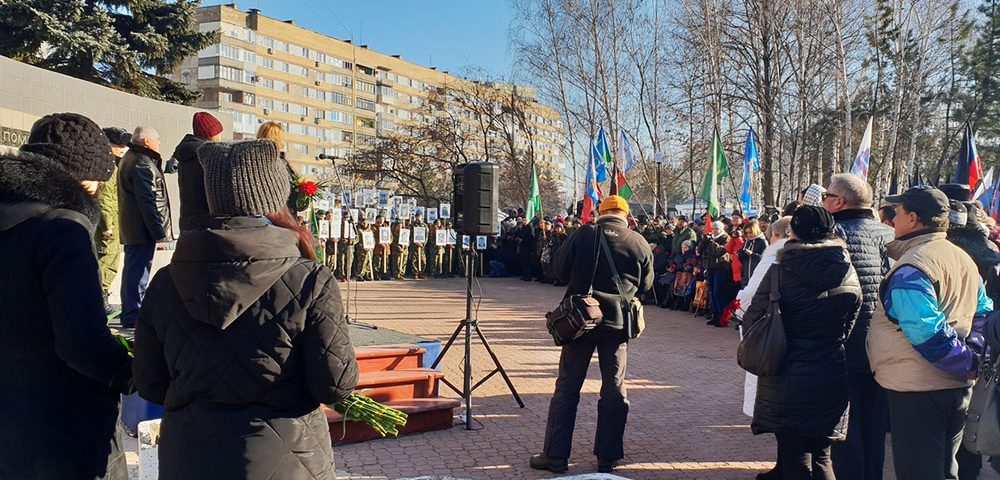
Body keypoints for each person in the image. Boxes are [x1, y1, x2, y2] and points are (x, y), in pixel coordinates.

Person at [133, 139, 359, 479]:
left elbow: (149, 383)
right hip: (287, 459)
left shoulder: (165, 281)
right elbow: (335, 383)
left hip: (189, 457)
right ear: (274, 197)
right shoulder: (310, 279)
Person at [1, 114, 132, 479]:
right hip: (63, 425)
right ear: (86, 181)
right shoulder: (63, 230)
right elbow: (81, 342)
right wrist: (129, 372)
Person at [867, 186, 993, 480]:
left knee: (920, 471)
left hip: (919, 389)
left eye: (896, 213)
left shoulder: (914, 266)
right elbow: (983, 315)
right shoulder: (962, 258)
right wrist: (971, 357)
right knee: (945, 469)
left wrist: (967, 362)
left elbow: (926, 330)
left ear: (912, 218)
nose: (891, 220)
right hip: (954, 386)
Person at [531, 195, 654, 475]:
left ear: (601, 213)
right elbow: (647, 284)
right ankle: (607, 458)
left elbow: (559, 271)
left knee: (567, 388)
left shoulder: (583, 234)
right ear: (625, 215)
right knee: (614, 389)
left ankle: (556, 455)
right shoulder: (638, 242)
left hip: (580, 320)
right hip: (618, 324)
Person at [745, 206, 862, 480]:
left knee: (794, 453)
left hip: (786, 370)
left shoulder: (779, 271)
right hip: (831, 368)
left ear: (794, 231)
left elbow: (753, 318)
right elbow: (850, 324)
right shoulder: (848, 270)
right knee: (822, 454)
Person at [818, 173, 895, 480]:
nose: (823, 201)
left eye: (826, 195)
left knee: (845, 435)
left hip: (845, 350)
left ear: (839, 201)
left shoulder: (833, 235)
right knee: (874, 432)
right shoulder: (891, 235)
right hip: (884, 351)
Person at [118, 126, 171, 328]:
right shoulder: (142, 163)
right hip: (141, 229)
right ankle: (133, 314)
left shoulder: (132, 158)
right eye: (157, 140)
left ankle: (131, 311)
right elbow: (148, 201)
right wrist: (158, 231)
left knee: (134, 269)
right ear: (147, 142)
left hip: (134, 227)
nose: (159, 143)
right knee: (138, 272)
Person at [171, 112, 223, 232]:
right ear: (211, 134)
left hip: (189, 220)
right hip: (206, 221)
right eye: (218, 132)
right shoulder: (205, 156)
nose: (220, 136)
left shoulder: (187, 154)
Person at [98, 127, 130, 312]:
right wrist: (107, 224)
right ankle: (101, 298)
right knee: (107, 261)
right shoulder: (108, 166)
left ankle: (103, 296)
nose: (122, 149)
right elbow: (106, 198)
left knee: (112, 260)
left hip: (113, 222)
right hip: (108, 225)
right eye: (119, 145)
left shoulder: (113, 163)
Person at [739, 219, 768, 288]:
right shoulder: (747, 242)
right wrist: (741, 254)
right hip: (746, 275)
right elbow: (742, 260)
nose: (749, 235)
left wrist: (752, 254)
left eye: (750, 232)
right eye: (747, 233)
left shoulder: (762, 242)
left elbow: (765, 259)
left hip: (757, 275)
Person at [336, 208, 357, 282]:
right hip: (341, 245)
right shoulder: (339, 225)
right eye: (345, 218)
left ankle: (348, 275)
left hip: (350, 246)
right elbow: (335, 234)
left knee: (349, 262)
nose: (346, 220)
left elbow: (357, 237)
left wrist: (352, 241)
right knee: (341, 261)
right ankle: (342, 275)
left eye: (347, 218)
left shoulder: (352, 225)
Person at [410, 212, 427, 279]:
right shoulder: (412, 225)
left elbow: (426, 236)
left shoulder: (424, 225)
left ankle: (421, 272)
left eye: (420, 216)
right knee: (414, 260)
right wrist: (415, 242)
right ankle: (415, 273)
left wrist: (423, 244)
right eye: (417, 216)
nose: (419, 218)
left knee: (423, 260)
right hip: (414, 246)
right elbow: (410, 235)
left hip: (422, 246)